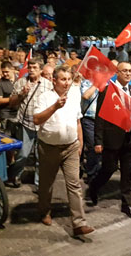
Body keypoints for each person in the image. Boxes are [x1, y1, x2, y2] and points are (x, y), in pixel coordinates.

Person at [33, 65, 94, 236]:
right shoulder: (45, 97)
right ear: (54, 80)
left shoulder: (73, 97)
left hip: (71, 147)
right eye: (63, 79)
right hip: (49, 148)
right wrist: (54, 107)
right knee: (47, 184)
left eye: (69, 79)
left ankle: (79, 223)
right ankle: (44, 211)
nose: (67, 83)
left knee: (74, 184)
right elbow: (37, 120)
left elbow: (78, 121)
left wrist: (80, 143)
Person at [89, 62, 131, 219]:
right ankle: (94, 186)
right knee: (108, 169)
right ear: (117, 72)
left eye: (130, 71)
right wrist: (98, 141)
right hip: (112, 138)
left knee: (127, 174)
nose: (128, 73)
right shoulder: (107, 90)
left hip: (129, 138)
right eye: (124, 70)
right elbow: (100, 117)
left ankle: (127, 204)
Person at [7, 58, 52, 189]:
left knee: (41, 157)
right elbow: (12, 102)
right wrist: (22, 93)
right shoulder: (21, 82)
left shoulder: (48, 85)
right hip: (26, 124)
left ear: (41, 70)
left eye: (35, 68)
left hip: (42, 125)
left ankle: (39, 184)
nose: (31, 70)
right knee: (23, 154)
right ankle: (14, 175)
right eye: (30, 68)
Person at [80, 78, 101, 182]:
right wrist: (97, 84)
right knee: (93, 146)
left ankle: (95, 170)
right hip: (89, 119)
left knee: (99, 146)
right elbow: (85, 96)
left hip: (101, 120)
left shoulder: (108, 84)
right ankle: (91, 173)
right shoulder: (86, 82)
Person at [0, 61, 17, 133]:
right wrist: (13, 99)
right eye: (3, 72)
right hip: (6, 115)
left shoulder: (20, 80)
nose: (4, 74)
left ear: (12, 69)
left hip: (18, 114)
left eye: (7, 72)